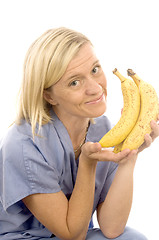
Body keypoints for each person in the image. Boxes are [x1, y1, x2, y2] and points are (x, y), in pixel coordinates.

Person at [0, 27, 158, 240]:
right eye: (74, 82)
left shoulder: (102, 128)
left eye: (95, 70)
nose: (95, 89)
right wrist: (87, 163)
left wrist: (130, 156)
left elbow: (112, 228)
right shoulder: (25, 144)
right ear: (49, 96)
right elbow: (72, 235)